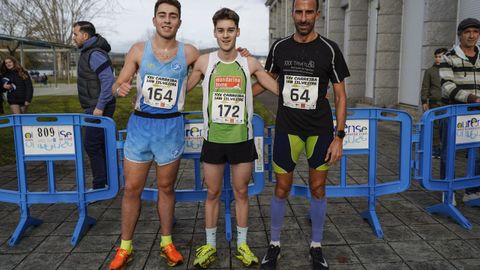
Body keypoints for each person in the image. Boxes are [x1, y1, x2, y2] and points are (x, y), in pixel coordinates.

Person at [254, 0, 349, 269]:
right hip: (287, 128)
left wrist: (339, 136)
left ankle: (316, 246)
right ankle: (274, 245)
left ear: (317, 14)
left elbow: (341, 97)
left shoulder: (329, 49)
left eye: (309, 12)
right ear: (293, 13)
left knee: (317, 188)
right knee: (281, 188)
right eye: (299, 11)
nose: (304, 17)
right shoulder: (280, 47)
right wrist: (243, 97)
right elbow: (266, 79)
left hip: (318, 130)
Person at [108, 1, 200, 269]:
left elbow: (212, 62)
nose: (167, 20)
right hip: (141, 127)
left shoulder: (190, 52)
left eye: (173, 16)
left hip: (170, 128)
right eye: (163, 15)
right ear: (154, 19)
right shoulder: (138, 50)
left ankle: (167, 243)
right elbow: (117, 84)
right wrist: (119, 89)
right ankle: (125, 247)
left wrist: (188, 85)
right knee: (132, 188)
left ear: (179, 22)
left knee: (166, 188)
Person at [186, 8, 278, 269]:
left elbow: (276, 88)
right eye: (220, 30)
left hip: (242, 139)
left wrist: (307, 91)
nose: (225, 35)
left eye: (230, 30)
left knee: (241, 193)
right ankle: (211, 246)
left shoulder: (249, 63)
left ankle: (242, 245)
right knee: (213, 193)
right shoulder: (204, 62)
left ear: (238, 32)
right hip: (213, 140)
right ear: (214, 32)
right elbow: (182, 89)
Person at [440, 17, 480, 203]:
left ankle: (473, 190)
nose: (472, 36)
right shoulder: (449, 57)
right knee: (449, 152)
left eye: (475, 32)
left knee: (478, 152)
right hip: (455, 113)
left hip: (477, 115)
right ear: (460, 35)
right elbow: (447, 86)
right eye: (467, 32)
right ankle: (447, 191)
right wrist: (473, 98)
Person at [72, 21, 116, 190]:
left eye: (75, 34)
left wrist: (100, 107)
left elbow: (107, 80)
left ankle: (100, 185)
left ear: (85, 35)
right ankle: (108, 181)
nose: (74, 38)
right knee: (100, 144)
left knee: (91, 144)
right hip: (95, 105)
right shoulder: (87, 52)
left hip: (98, 106)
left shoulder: (95, 53)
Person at [421, 47, 447, 159]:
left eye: (440, 56)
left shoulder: (449, 70)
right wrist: (424, 101)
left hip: (447, 103)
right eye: (436, 56)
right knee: (435, 127)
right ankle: (435, 149)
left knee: (445, 126)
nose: (438, 59)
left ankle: (446, 148)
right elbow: (425, 87)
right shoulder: (430, 71)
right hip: (434, 103)